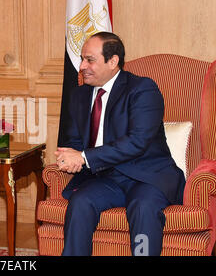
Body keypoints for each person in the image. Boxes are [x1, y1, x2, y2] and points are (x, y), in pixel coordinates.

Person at [56, 32, 185, 256]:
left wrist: (84, 158)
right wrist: (72, 157)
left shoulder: (142, 89)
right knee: (80, 202)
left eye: (90, 60)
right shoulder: (79, 96)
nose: (82, 66)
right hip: (105, 178)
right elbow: (75, 142)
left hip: (146, 176)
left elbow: (137, 142)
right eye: (82, 59)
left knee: (144, 208)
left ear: (113, 61)